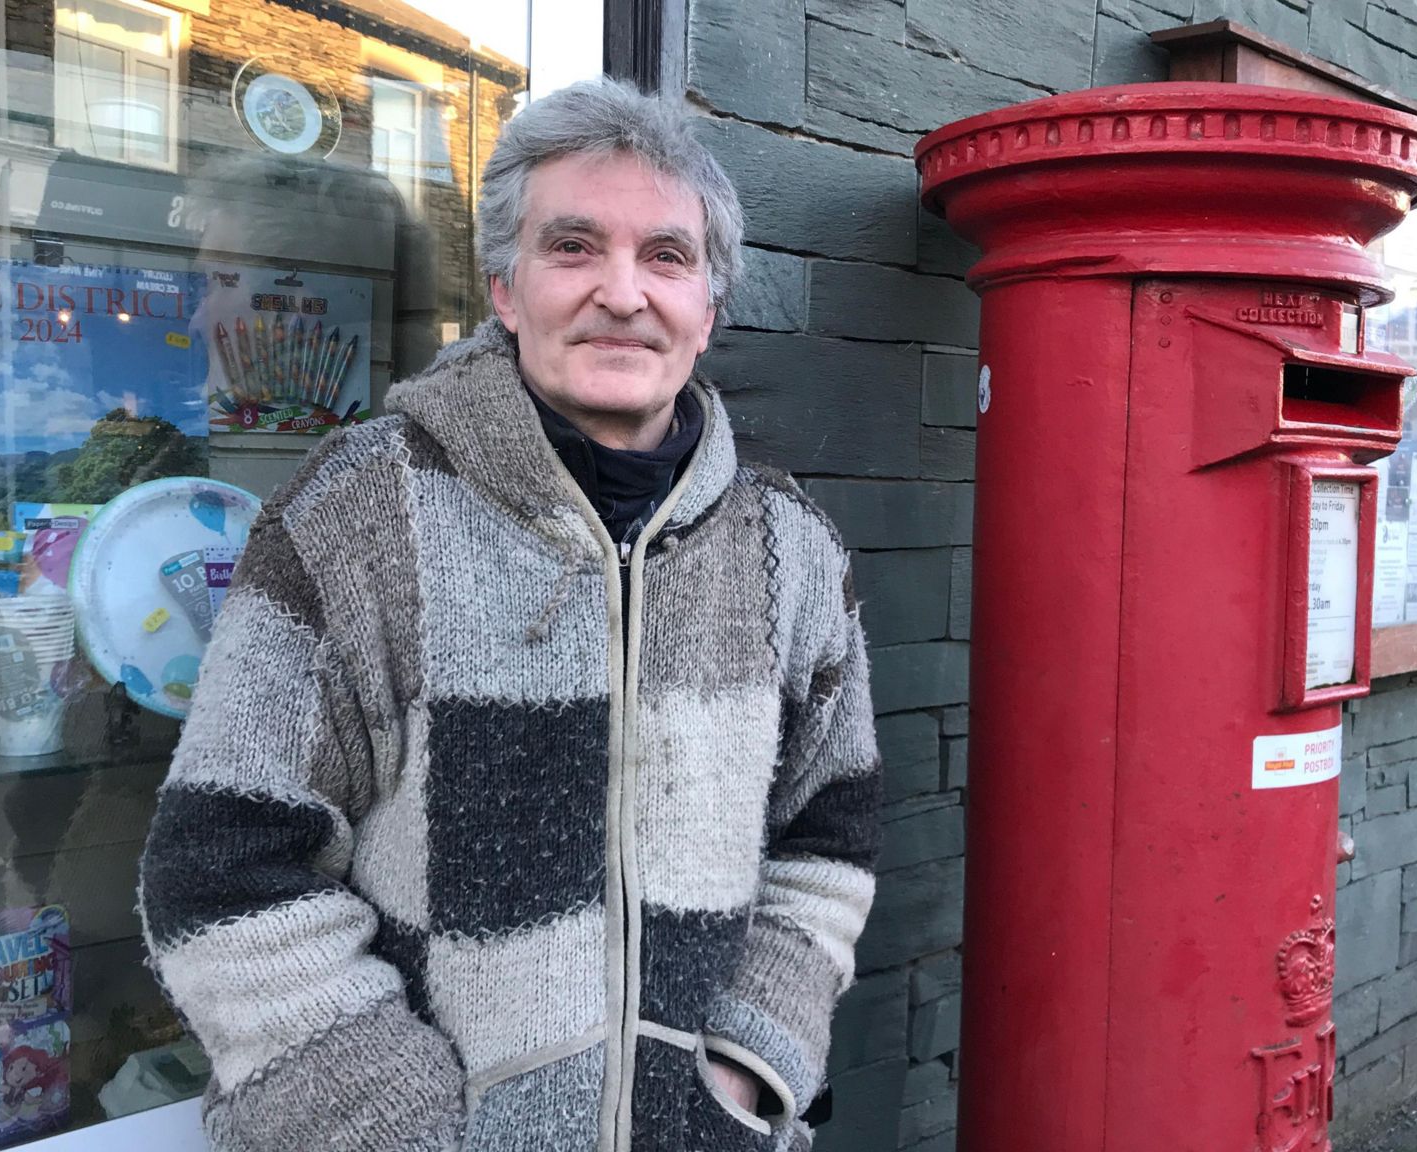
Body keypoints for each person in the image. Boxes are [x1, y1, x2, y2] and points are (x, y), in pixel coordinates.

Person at [136, 78, 882, 1152]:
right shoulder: (358, 515)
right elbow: (221, 872)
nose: (622, 293)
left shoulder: (790, 549)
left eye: (664, 258)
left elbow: (829, 833)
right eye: (573, 248)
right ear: (503, 286)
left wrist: (752, 1062)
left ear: (707, 309)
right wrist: (408, 1129)